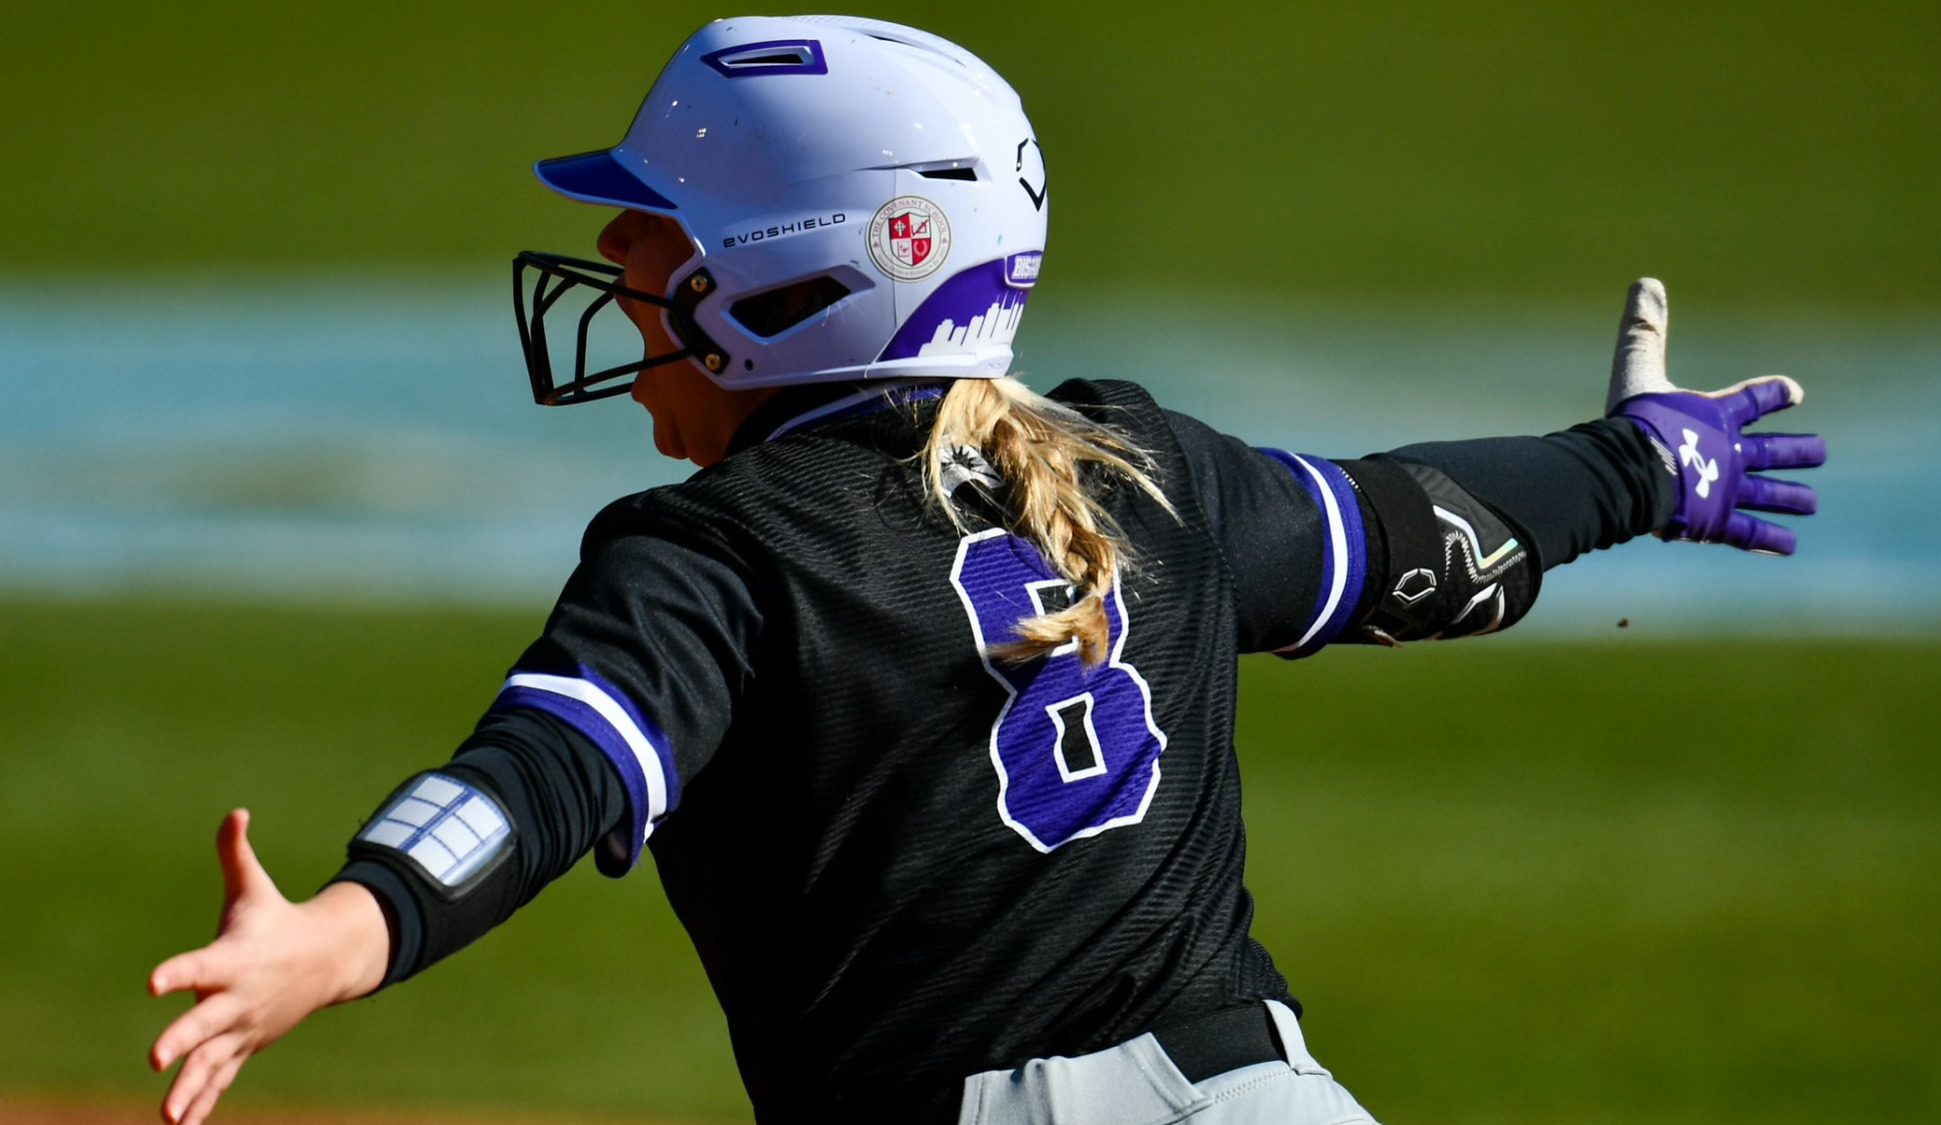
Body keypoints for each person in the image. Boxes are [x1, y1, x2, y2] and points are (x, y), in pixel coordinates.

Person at [147, 15, 1826, 1125]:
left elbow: (548, 772)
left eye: (658, 231)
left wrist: (350, 925)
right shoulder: (1143, 469)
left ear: (789, 282)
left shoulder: (718, 554)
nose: (614, 257)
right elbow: (1415, 537)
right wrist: (1639, 466)